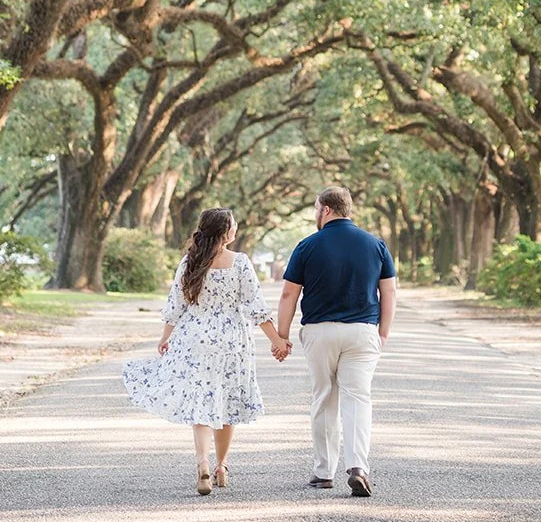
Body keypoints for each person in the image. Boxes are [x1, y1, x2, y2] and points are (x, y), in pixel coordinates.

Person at [123, 208, 291, 496]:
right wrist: (277, 340)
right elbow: (255, 307)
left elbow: (175, 304)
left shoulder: (190, 261)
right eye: (234, 226)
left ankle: (203, 463)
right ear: (226, 232)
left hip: (195, 338)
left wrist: (166, 337)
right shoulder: (239, 263)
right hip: (231, 341)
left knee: (201, 402)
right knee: (225, 403)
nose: (236, 229)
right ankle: (221, 467)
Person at [276, 185, 397, 498]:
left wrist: (282, 335)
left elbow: (289, 293)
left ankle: (324, 472)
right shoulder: (376, 244)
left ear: (325, 210)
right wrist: (383, 331)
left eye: (316, 209)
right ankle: (358, 467)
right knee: (358, 398)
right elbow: (390, 291)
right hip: (363, 331)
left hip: (320, 332)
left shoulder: (307, 246)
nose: (316, 214)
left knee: (325, 397)